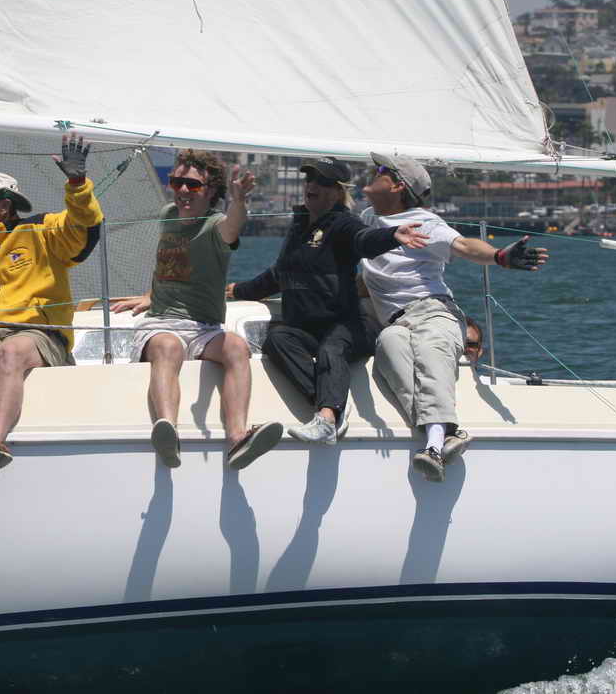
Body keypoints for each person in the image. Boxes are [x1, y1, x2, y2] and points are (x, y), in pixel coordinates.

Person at [360, 152, 547, 482]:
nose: (373, 172)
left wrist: (499, 256)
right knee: (389, 349)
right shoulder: (366, 220)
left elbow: (463, 246)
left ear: (398, 186)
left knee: (430, 355)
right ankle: (449, 433)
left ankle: (432, 447)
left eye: (381, 170)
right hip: (394, 323)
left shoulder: (424, 223)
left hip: (433, 311)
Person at [227, 157, 427, 444]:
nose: (312, 185)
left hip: (348, 326)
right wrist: (239, 291)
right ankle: (332, 410)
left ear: (337, 191)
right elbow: (279, 274)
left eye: (322, 181)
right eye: (309, 179)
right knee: (277, 340)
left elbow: (364, 239)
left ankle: (327, 418)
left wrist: (392, 235)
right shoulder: (300, 226)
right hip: (307, 329)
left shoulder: (343, 224)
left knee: (331, 348)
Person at [111, 149, 281, 471]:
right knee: (168, 347)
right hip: (162, 322)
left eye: (193, 185)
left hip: (204, 327)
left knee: (237, 347)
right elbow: (169, 261)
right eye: (176, 183)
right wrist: (150, 294)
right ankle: (167, 431)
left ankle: (238, 438)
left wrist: (238, 200)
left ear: (211, 190)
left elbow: (232, 227)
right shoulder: (167, 215)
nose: (183, 191)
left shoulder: (215, 225)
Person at [0, 136, 103, 484]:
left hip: (39, 334)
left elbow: (84, 226)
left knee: (12, 350)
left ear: (5, 205)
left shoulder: (42, 230)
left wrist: (77, 183)